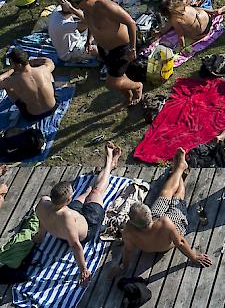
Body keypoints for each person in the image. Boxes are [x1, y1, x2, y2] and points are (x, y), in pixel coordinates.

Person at [113, 148, 212, 277]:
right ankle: (180, 168)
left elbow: (128, 250)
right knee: (177, 197)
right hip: (167, 238)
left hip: (153, 227)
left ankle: (179, 168)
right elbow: (180, 242)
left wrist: (124, 267)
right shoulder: (165, 222)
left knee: (164, 194)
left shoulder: (129, 230)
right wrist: (194, 257)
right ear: (148, 213)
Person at [34, 141, 122, 286]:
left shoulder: (44, 203)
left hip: (70, 216)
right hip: (88, 224)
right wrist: (83, 270)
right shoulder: (66, 217)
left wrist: (40, 236)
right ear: (67, 200)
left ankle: (93, 185)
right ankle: (109, 163)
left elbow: (42, 222)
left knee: (87, 192)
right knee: (97, 191)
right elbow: (75, 245)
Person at [65, 0, 143, 106]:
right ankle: (128, 97)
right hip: (105, 49)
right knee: (119, 75)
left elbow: (131, 23)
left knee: (112, 83)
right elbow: (90, 24)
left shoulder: (106, 7)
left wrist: (132, 49)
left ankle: (137, 86)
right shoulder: (86, 8)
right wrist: (89, 39)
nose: (74, 5)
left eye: (75, 3)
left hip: (121, 48)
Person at [0, 48, 57, 122]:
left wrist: (10, 71)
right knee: (49, 75)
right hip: (52, 108)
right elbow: (49, 61)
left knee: (7, 87)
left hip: (33, 116)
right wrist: (31, 61)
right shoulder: (44, 69)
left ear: (18, 65)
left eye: (12, 63)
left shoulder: (11, 81)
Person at [156, 0, 225, 54]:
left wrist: (182, 48)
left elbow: (181, 36)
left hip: (202, 33)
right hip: (208, 19)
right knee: (196, 10)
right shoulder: (183, 5)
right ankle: (213, 12)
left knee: (180, 28)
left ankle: (162, 30)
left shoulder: (175, 19)